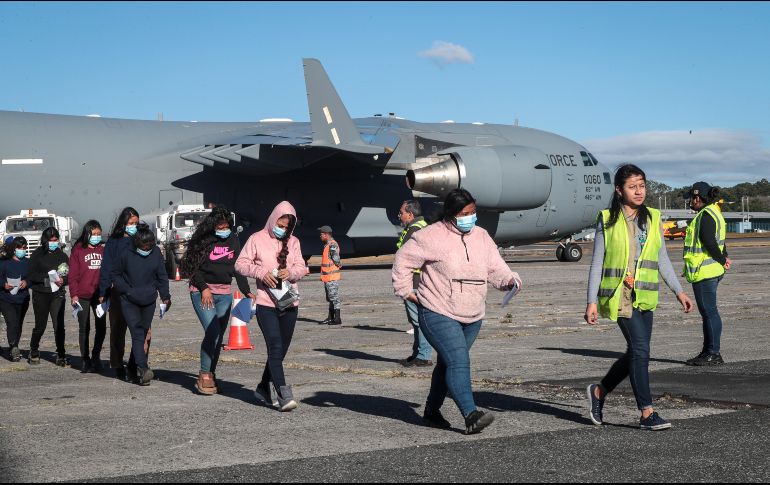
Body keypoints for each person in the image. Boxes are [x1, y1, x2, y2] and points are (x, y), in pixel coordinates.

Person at [393, 188, 522, 434]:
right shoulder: (430, 236)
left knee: (448, 363)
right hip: (437, 310)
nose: (471, 218)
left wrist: (509, 280)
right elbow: (403, 260)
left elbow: (496, 267)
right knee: (459, 360)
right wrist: (406, 290)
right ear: (451, 214)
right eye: (465, 213)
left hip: (473, 314)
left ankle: (431, 411)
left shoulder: (482, 236)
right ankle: (471, 415)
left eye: (473, 212)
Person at [584, 164, 694, 431]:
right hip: (619, 295)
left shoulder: (653, 217)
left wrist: (679, 291)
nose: (639, 191)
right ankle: (647, 412)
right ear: (619, 190)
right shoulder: (608, 219)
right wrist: (590, 301)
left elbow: (662, 259)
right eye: (632, 186)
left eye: (642, 185)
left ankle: (599, 391)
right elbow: (597, 262)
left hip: (644, 294)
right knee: (642, 350)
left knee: (635, 351)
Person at [236, 201, 307, 412]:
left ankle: (262, 388)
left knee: (280, 352)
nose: (283, 229)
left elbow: (302, 267)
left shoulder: (293, 242)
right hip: (266, 304)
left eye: (287, 227)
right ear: (273, 219)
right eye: (280, 224)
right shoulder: (256, 239)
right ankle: (283, 394)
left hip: (289, 303)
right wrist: (260, 273)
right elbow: (240, 264)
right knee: (274, 347)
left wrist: (291, 273)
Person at [181, 206, 254, 395]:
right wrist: (204, 288)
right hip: (202, 291)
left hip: (224, 294)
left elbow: (238, 267)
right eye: (220, 226)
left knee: (218, 336)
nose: (223, 229)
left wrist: (247, 291)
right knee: (212, 331)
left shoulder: (234, 240)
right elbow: (191, 266)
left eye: (226, 226)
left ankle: (210, 373)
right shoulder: (204, 240)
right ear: (213, 225)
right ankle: (204, 374)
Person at [111, 224, 170, 386]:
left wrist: (165, 296)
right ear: (136, 243)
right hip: (129, 301)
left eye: (149, 245)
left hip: (149, 300)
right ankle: (143, 369)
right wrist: (126, 290)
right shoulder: (125, 253)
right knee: (137, 333)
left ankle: (131, 367)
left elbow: (162, 275)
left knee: (143, 334)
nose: (146, 248)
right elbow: (115, 275)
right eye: (144, 246)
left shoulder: (156, 252)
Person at [683, 182, 731, 366]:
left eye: (691, 198)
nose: (689, 201)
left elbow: (709, 242)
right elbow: (721, 241)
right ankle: (707, 351)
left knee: (709, 312)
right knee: (708, 313)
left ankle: (713, 353)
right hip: (712, 271)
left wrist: (721, 259)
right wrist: (724, 257)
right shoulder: (714, 212)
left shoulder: (705, 215)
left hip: (705, 272)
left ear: (698, 197)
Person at [98, 207, 145, 382]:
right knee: (118, 330)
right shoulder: (114, 242)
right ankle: (117, 364)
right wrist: (103, 292)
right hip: (118, 292)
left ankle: (135, 365)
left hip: (138, 291)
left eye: (136, 223)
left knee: (140, 331)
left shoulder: (140, 240)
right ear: (123, 223)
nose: (134, 226)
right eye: (131, 223)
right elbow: (106, 268)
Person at [395, 200, 433, 367]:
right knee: (416, 319)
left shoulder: (415, 230)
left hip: (414, 282)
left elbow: (409, 257)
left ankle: (423, 355)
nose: (399, 215)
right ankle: (418, 353)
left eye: (401, 212)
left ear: (410, 214)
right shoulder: (421, 227)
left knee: (418, 320)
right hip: (416, 280)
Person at [27, 227, 70, 366]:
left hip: (57, 294)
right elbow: (31, 275)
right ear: (45, 240)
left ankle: (61, 354)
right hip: (41, 294)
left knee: (59, 326)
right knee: (41, 325)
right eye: (51, 240)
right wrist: (48, 278)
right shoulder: (37, 254)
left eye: (56, 240)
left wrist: (64, 280)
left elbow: (70, 274)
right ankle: (34, 349)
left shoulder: (62, 256)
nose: (54, 242)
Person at [69, 220, 106, 373]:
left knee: (101, 328)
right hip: (82, 296)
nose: (97, 237)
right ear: (87, 234)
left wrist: (105, 292)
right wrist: (74, 295)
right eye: (94, 234)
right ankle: (85, 359)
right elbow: (73, 276)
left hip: (100, 296)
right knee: (84, 327)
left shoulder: (103, 250)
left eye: (99, 234)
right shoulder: (78, 250)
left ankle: (96, 356)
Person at [0, 237, 30, 362]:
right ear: (14, 249)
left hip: (22, 298)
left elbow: (33, 278)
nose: (22, 250)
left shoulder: (28, 263)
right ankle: (13, 347)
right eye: (19, 248)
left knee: (18, 324)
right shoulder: (4, 263)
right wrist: (4, 284)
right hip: (6, 298)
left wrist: (27, 282)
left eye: (24, 248)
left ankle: (15, 344)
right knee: (11, 322)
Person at [318, 225, 342, 326]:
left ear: (327, 234)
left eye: (322, 234)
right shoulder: (327, 245)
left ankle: (337, 318)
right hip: (327, 277)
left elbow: (335, 258)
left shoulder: (332, 245)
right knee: (330, 298)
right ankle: (331, 317)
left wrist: (339, 264)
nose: (320, 236)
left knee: (334, 297)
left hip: (332, 277)